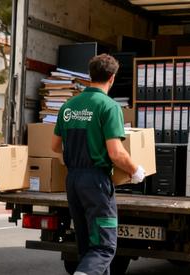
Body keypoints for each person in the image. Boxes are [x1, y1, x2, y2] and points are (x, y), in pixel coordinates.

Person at [51, 54, 146, 275]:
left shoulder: (69, 106)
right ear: (112, 78)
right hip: (95, 182)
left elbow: (55, 146)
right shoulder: (109, 107)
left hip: (73, 180)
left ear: (89, 76)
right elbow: (115, 152)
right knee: (104, 247)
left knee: (87, 247)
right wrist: (135, 170)